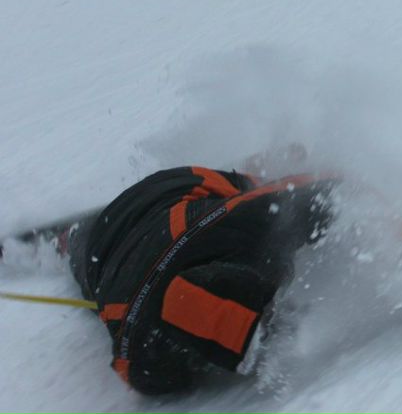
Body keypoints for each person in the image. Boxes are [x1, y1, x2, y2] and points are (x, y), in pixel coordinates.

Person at [65, 164, 338, 395]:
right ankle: (72, 238)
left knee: (251, 190)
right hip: (110, 245)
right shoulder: (144, 359)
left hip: (159, 203)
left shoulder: (242, 226)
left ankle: (72, 238)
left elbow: (323, 192)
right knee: (91, 261)